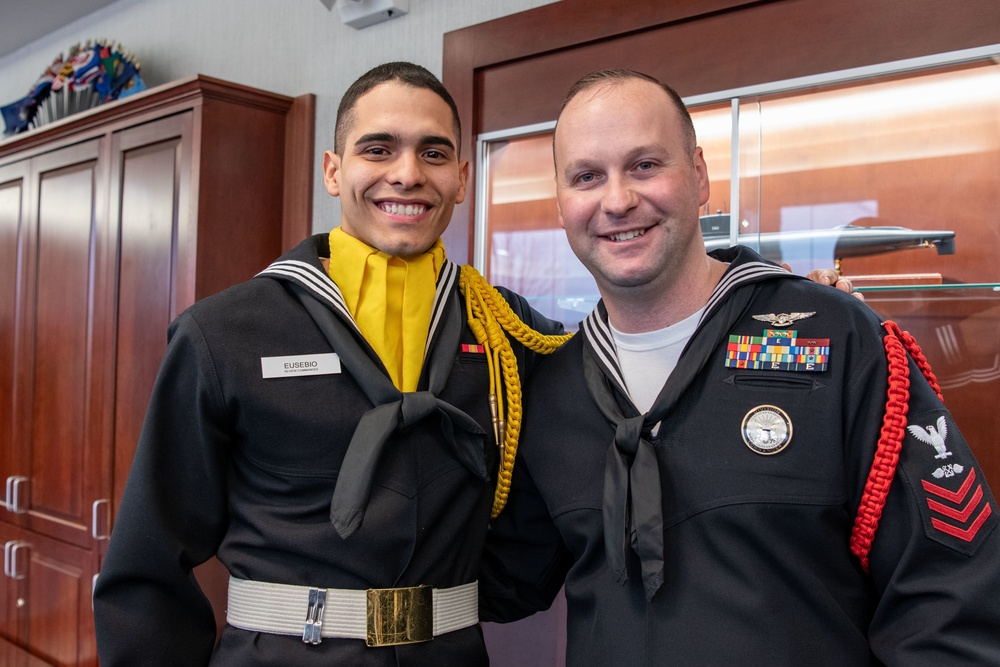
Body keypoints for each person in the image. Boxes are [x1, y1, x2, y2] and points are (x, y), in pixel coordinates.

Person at [478, 69, 1000, 665]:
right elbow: (501, 582)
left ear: (699, 176)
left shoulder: (838, 340)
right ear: (562, 200)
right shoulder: (553, 390)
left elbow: (951, 603)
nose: (618, 200)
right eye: (587, 176)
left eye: (646, 165)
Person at [92, 61, 568, 666]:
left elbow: (545, 500)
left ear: (462, 178)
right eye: (378, 149)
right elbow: (147, 561)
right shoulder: (223, 333)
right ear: (333, 171)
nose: (407, 174)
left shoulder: (509, 333)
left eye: (434, 154)